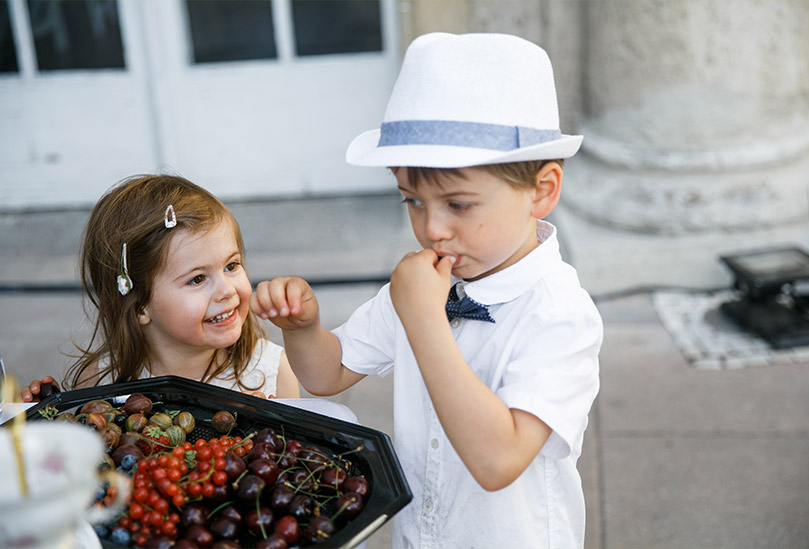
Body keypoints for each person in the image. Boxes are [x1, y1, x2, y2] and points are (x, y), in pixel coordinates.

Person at [250, 33, 602, 548]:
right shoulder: (427, 282)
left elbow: (498, 460)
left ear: (542, 191)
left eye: (458, 204)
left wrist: (424, 320)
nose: (432, 228)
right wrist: (304, 328)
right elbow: (328, 374)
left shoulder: (558, 314)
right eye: (412, 201)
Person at [22, 174, 299, 401]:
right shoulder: (101, 381)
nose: (227, 290)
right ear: (140, 305)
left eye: (231, 265)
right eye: (197, 279)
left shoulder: (272, 372)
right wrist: (45, 419)